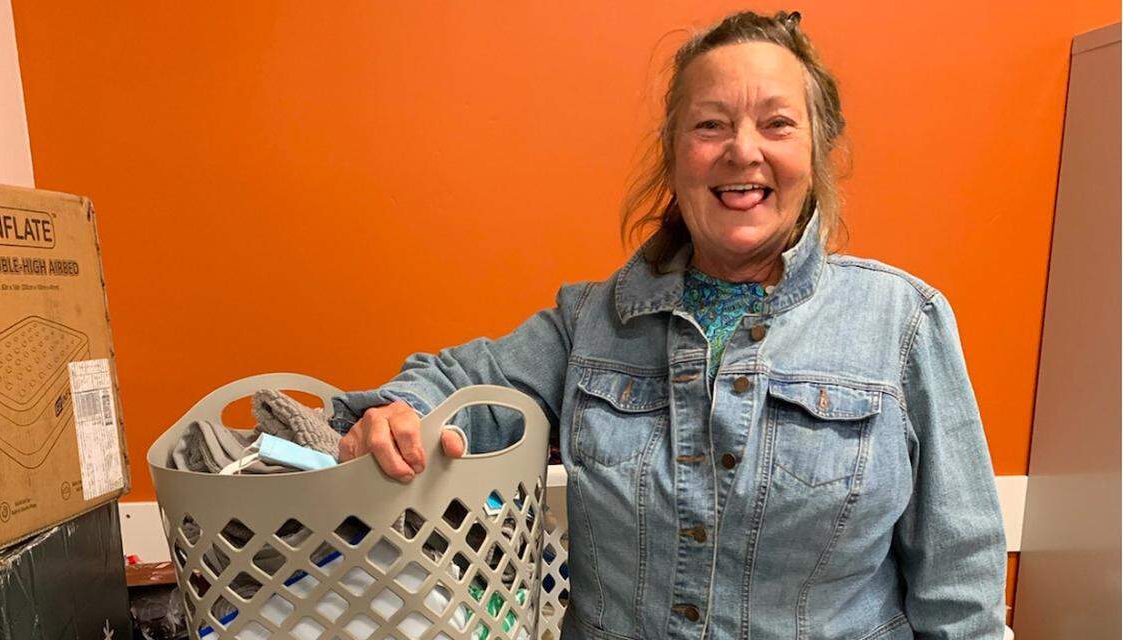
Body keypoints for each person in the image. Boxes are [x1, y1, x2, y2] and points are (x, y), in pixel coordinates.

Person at [331, 10, 1007, 639]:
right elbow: (453, 383)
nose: (743, 152)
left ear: (819, 150)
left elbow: (959, 596)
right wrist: (401, 411)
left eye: (777, 124)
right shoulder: (589, 324)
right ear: (674, 152)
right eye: (710, 125)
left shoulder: (904, 324)